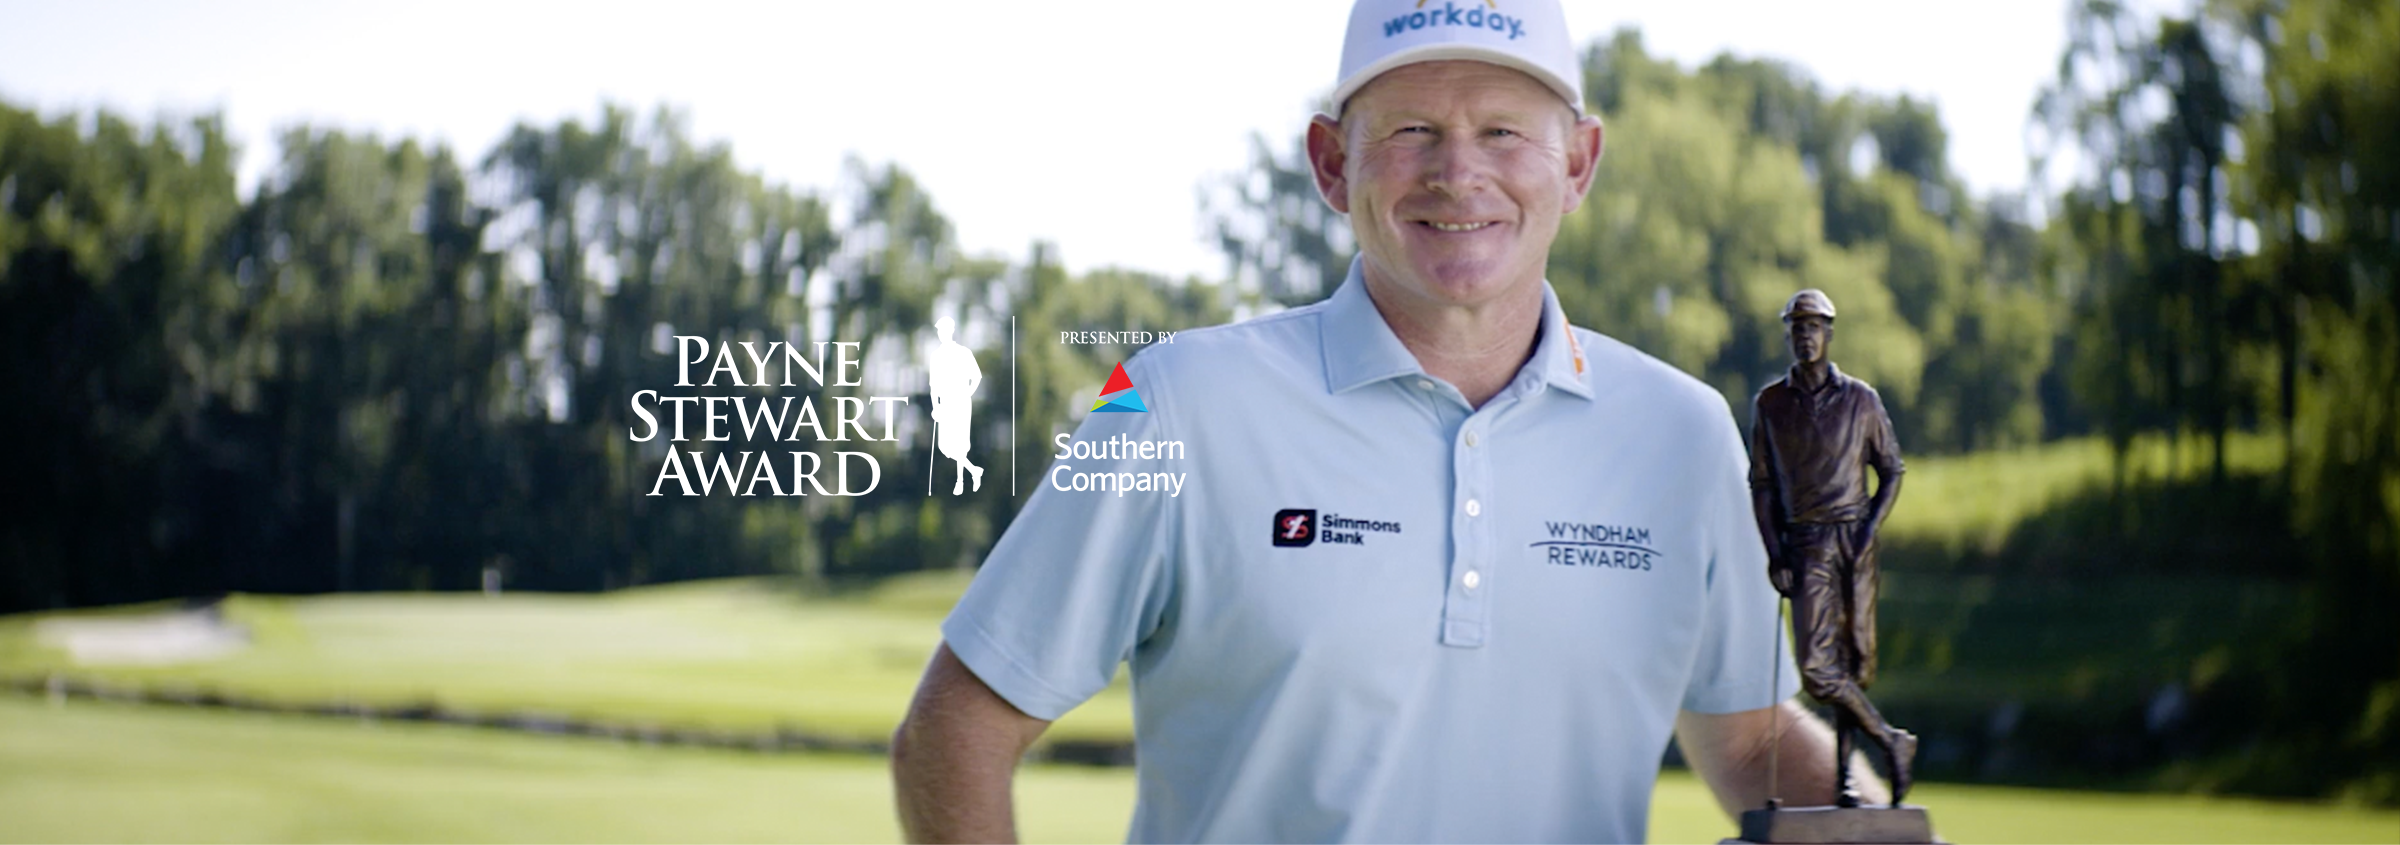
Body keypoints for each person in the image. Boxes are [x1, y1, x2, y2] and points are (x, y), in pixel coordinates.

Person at [892, 2, 1888, 842]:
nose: (1459, 172)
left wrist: (1865, 814)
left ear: (1579, 163)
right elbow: (959, 723)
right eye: (1411, 129)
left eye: (1504, 130)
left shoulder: (1683, 431)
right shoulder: (1167, 399)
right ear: (1331, 164)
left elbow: (1750, 739)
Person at [1748, 289, 1917, 807]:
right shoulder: (1771, 404)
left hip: (1856, 540)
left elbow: (1891, 470)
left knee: (1855, 663)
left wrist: (1869, 529)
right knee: (1819, 671)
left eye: (1814, 326)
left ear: (1828, 332)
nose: (1805, 336)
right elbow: (1761, 486)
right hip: (1807, 542)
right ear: (1789, 335)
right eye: (1797, 328)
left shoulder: (1861, 399)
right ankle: (1891, 740)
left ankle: (1845, 779)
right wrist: (1775, 553)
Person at [928, 316, 984, 495]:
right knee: (945, 446)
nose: (940, 334)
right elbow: (933, 386)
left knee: (960, 443)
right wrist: (935, 407)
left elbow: (976, 377)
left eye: (943, 330)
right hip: (945, 404)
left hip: (960, 402)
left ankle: (960, 481)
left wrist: (967, 393)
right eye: (939, 331)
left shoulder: (963, 352)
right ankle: (974, 470)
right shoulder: (936, 356)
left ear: (950, 331)